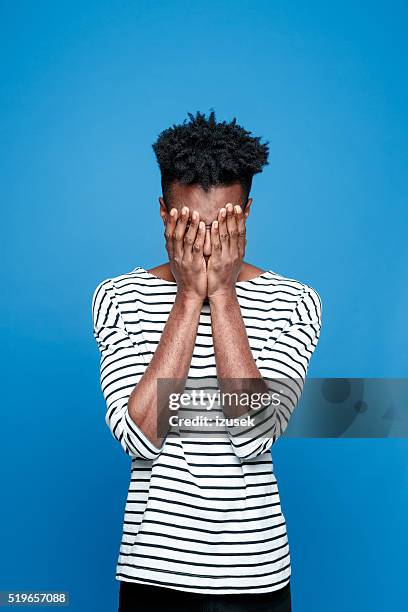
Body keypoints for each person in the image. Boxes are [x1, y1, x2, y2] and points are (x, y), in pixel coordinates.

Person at [92, 110, 322, 611]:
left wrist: (221, 294)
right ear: (162, 212)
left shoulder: (294, 302)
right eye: (190, 226)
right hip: (153, 573)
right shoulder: (119, 296)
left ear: (247, 213)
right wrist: (188, 297)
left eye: (222, 226)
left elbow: (256, 434)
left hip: (255, 574)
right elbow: (140, 436)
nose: (206, 244)